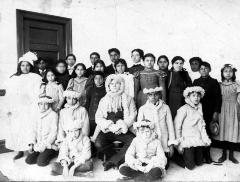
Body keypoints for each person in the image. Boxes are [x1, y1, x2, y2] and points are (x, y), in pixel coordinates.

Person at [94, 74, 137, 171]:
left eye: (117, 83)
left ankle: (112, 161)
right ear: (108, 85)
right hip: (108, 128)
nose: (114, 85)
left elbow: (132, 115)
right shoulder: (104, 100)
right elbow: (98, 117)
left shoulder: (128, 98)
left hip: (123, 128)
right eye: (112, 83)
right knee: (98, 143)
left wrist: (122, 127)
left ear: (121, 85)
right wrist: (110, 126)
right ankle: (115, 159)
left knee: (133, 141)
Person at [5, 51, 42, 160]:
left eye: (27, 65)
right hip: (18, 108)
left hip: (31, 106)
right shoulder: (14, 78)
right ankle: (20, 150)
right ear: (19, 66)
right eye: (23, 65)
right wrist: (9, 108)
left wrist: (30, 98)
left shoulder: (35, 77)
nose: (25, 67)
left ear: (31, 66)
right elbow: (10, 95)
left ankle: (30, 148)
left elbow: (38, 92)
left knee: (30, 127)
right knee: (18, 128)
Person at [137, 86, 176, 169]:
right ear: (147, 96)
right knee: (147, 163)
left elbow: (170, 126)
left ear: (160, 95)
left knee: (164, 166)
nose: (153, 97)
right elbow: (139, 129)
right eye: (150, 95)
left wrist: (171, 144)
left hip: (163, 143)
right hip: (150, 144)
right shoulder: (143, 109)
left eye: (156, 94)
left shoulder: (166, 107)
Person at [174, 86, 211, 170]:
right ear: (188, 97)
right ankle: (175, 156)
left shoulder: (199, 109)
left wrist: (205, 139)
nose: (196, 98)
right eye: (193, 96)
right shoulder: (183, 109)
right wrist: (179, 144)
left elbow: (201, 126)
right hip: (186, 138)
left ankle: (192, 155)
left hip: (196, 137)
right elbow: (177, 127)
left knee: (200, 162)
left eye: (198, 96)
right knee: (190, 166)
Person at [193, 61, 222, 163]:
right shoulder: (195, 81)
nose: (203, 70)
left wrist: (216, 112)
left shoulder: (214, 82)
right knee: (198, 131)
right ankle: (200, 154)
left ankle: (207, 154)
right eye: (201, 69)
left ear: (209, 69)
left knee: (208, 133)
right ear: (199, 70)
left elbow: (218, 98)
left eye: (206, 68)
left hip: (209, 111)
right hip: (198, 111)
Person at [216, 64, 240, 164]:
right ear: (222, 73)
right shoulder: (219, 85)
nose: (228, 73)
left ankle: (231, 155)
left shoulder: (236, 84)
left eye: (230, 71)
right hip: (223, 109)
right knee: (224, 130)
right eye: (225, 71)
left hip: (234, 109)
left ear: (233, 73)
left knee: (233, 131)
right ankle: (224, 154)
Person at [26, 95, 58, 166]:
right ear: (38, 105)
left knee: (41, 163)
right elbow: (33, 130)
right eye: (41, 104)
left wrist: (45, 145)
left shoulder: (53, 115)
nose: (43, 106)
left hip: (49, 144)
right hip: (39, 143)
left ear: (49, 104)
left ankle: (53, 153)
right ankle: (41, 154)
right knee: (29, 161)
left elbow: (53, 133)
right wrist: (32, 143)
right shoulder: (37, 115)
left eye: (46, 104)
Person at [85, 71, 106, 138]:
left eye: (100, 78)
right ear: (93, 80)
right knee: (91, 132)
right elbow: (88, 102)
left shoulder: (106, 89)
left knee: (99, 134)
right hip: (92, 115)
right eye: (96, 78)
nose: (98, 80)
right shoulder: (90, 89)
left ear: (103, 79)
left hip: (102, 116)